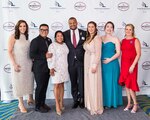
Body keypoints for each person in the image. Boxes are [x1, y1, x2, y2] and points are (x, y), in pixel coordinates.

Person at [8, 20, 34, 113]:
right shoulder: (13, 36)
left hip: (28, 63)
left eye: (24, 26)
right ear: (17, 27)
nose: (23, 28)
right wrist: (14, 64)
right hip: (18, 64)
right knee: (19, 83)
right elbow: (9, 51)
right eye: (20, 26)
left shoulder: (26, 37)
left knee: (29, 81)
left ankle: (30, 98)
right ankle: (20, 103)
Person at [63, 17, 86, 109]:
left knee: (81, 82)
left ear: (77, 23)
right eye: (70, 23)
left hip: (81, 61)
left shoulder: (84, 33)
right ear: (69, 24)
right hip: (71, 62)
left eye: (74, 22)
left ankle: (82, 99)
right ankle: (75, 100)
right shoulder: (65, 34)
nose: (72, 24)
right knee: (73, 82)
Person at [119, 24, 141, 113]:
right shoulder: (123, 41)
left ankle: (135, 104)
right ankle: (129, 103)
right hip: (124, 65)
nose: (128, 31)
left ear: (133, 31)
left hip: (132, 66)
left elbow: (138, 54)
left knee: (131, 85)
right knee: (127, 86)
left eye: (130, 29)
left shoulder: (135, 40)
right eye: (126, 29)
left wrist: (133, 65)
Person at [30, 24, 52, 113]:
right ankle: (37, 106)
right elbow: (32, 55)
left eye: (46, 30)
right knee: (40, 87)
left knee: (44, 86)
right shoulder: (35, 41)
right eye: (42, 30)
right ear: (39, 30)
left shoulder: (49, 40)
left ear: (48, 31)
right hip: (39, 68)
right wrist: (44, 56)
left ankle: (42, 103)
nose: (44, 31)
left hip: (47, 68)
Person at [47, 30, 69, 116]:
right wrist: (51, 68)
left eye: (61, 36)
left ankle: (61, 102)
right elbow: (49, 57)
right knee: (56, 85)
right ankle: (57, 104)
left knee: (62, 84)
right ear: (55, 37)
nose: (60, 37)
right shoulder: (52, 46)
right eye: (58, 36)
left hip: (64, 67)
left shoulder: (65, 45)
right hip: (56, 68)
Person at [101, 21, 123, 108]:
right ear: (105, 28)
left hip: (112, 64)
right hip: (102, 64)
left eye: (111, 27)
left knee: (112, 82)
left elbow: (118, 53)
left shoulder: (115, 39)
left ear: (113, 29)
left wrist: (110, 59)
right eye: (107, 27)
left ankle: (112, 102)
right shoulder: (100, 38)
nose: (109, 28)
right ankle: (104, 102)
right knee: (105, 83)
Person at [84, 21, 103, 115]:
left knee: (94, 83)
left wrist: (94, 65)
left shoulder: (97, 38)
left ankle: (95, 106)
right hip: (88, 62)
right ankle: (90, 104)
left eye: (92, 27)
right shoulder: (89, 38)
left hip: (93, 62)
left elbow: (98, 53)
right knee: (90, 83)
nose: (90, 28)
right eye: (89, 27)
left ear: (95, 28)